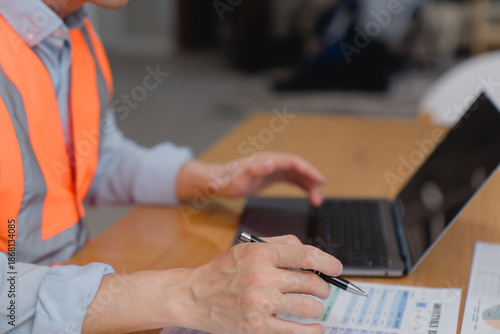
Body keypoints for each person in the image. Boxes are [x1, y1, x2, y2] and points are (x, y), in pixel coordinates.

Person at [0, 0, 343, 333]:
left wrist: (215, 179)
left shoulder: (74, 29)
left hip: (66, 286)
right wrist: (190, 294)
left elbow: (94, 156)